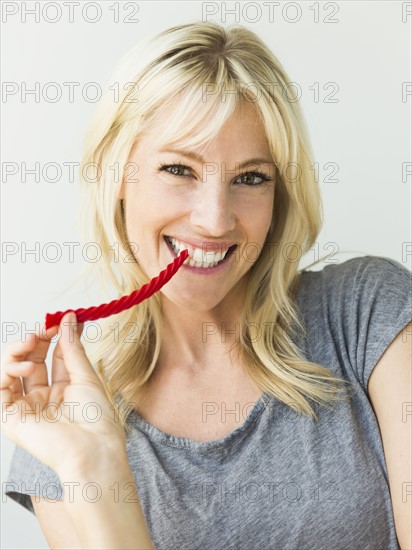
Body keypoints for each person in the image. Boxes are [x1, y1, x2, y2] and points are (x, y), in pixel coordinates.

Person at [1, 20, 411, 550]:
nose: (215, 220)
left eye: (250, 178)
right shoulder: (60, 420)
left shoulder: (368, 314)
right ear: (116, 174)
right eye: (179, 169)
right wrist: (96, 469)